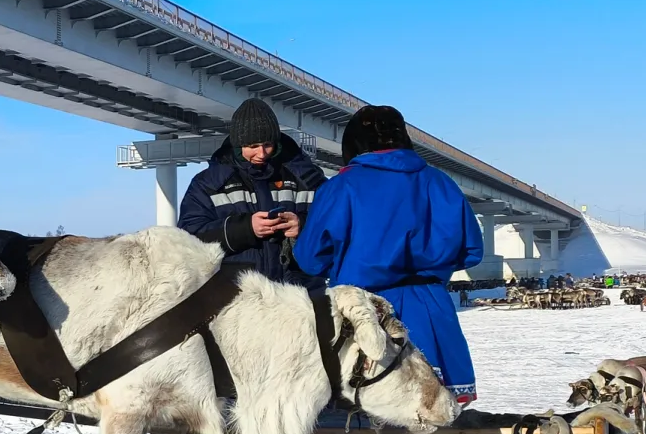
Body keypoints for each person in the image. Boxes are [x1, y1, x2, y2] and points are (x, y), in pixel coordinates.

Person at [293, 104, 484, 404]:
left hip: (364, 313)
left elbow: (309, 259)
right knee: (437, 409)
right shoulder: (439, 182)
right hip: (431, 309)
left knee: (366, 409)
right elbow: (471, 250)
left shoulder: (341, 188)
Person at [177, 97, 326, 286]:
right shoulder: (208, 183)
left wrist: (302, 226)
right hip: (238, 299)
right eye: (253, 146)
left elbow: (336, 223)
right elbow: (188, 237)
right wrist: (246, 228)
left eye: (268, 145)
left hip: (299, 296)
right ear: (238, 145)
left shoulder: (307, 177)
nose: (262, 153)